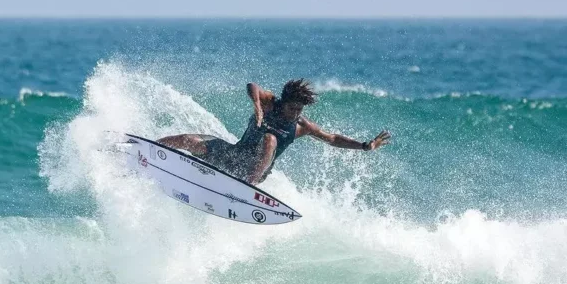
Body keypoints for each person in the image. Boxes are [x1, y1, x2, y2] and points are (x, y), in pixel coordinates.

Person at [157, 79, 391, 185]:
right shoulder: (270, 104)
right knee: (188, 140)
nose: (295, 113)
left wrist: (364, 146)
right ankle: (146, 148)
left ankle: (247, 187)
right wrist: (257, 107)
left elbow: (332, 138)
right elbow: (252, 86)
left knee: (270, 139)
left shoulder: (301, 126)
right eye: (292, 108)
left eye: (299, 109)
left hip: (254, 172)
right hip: (234, 156)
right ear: (283, 102)